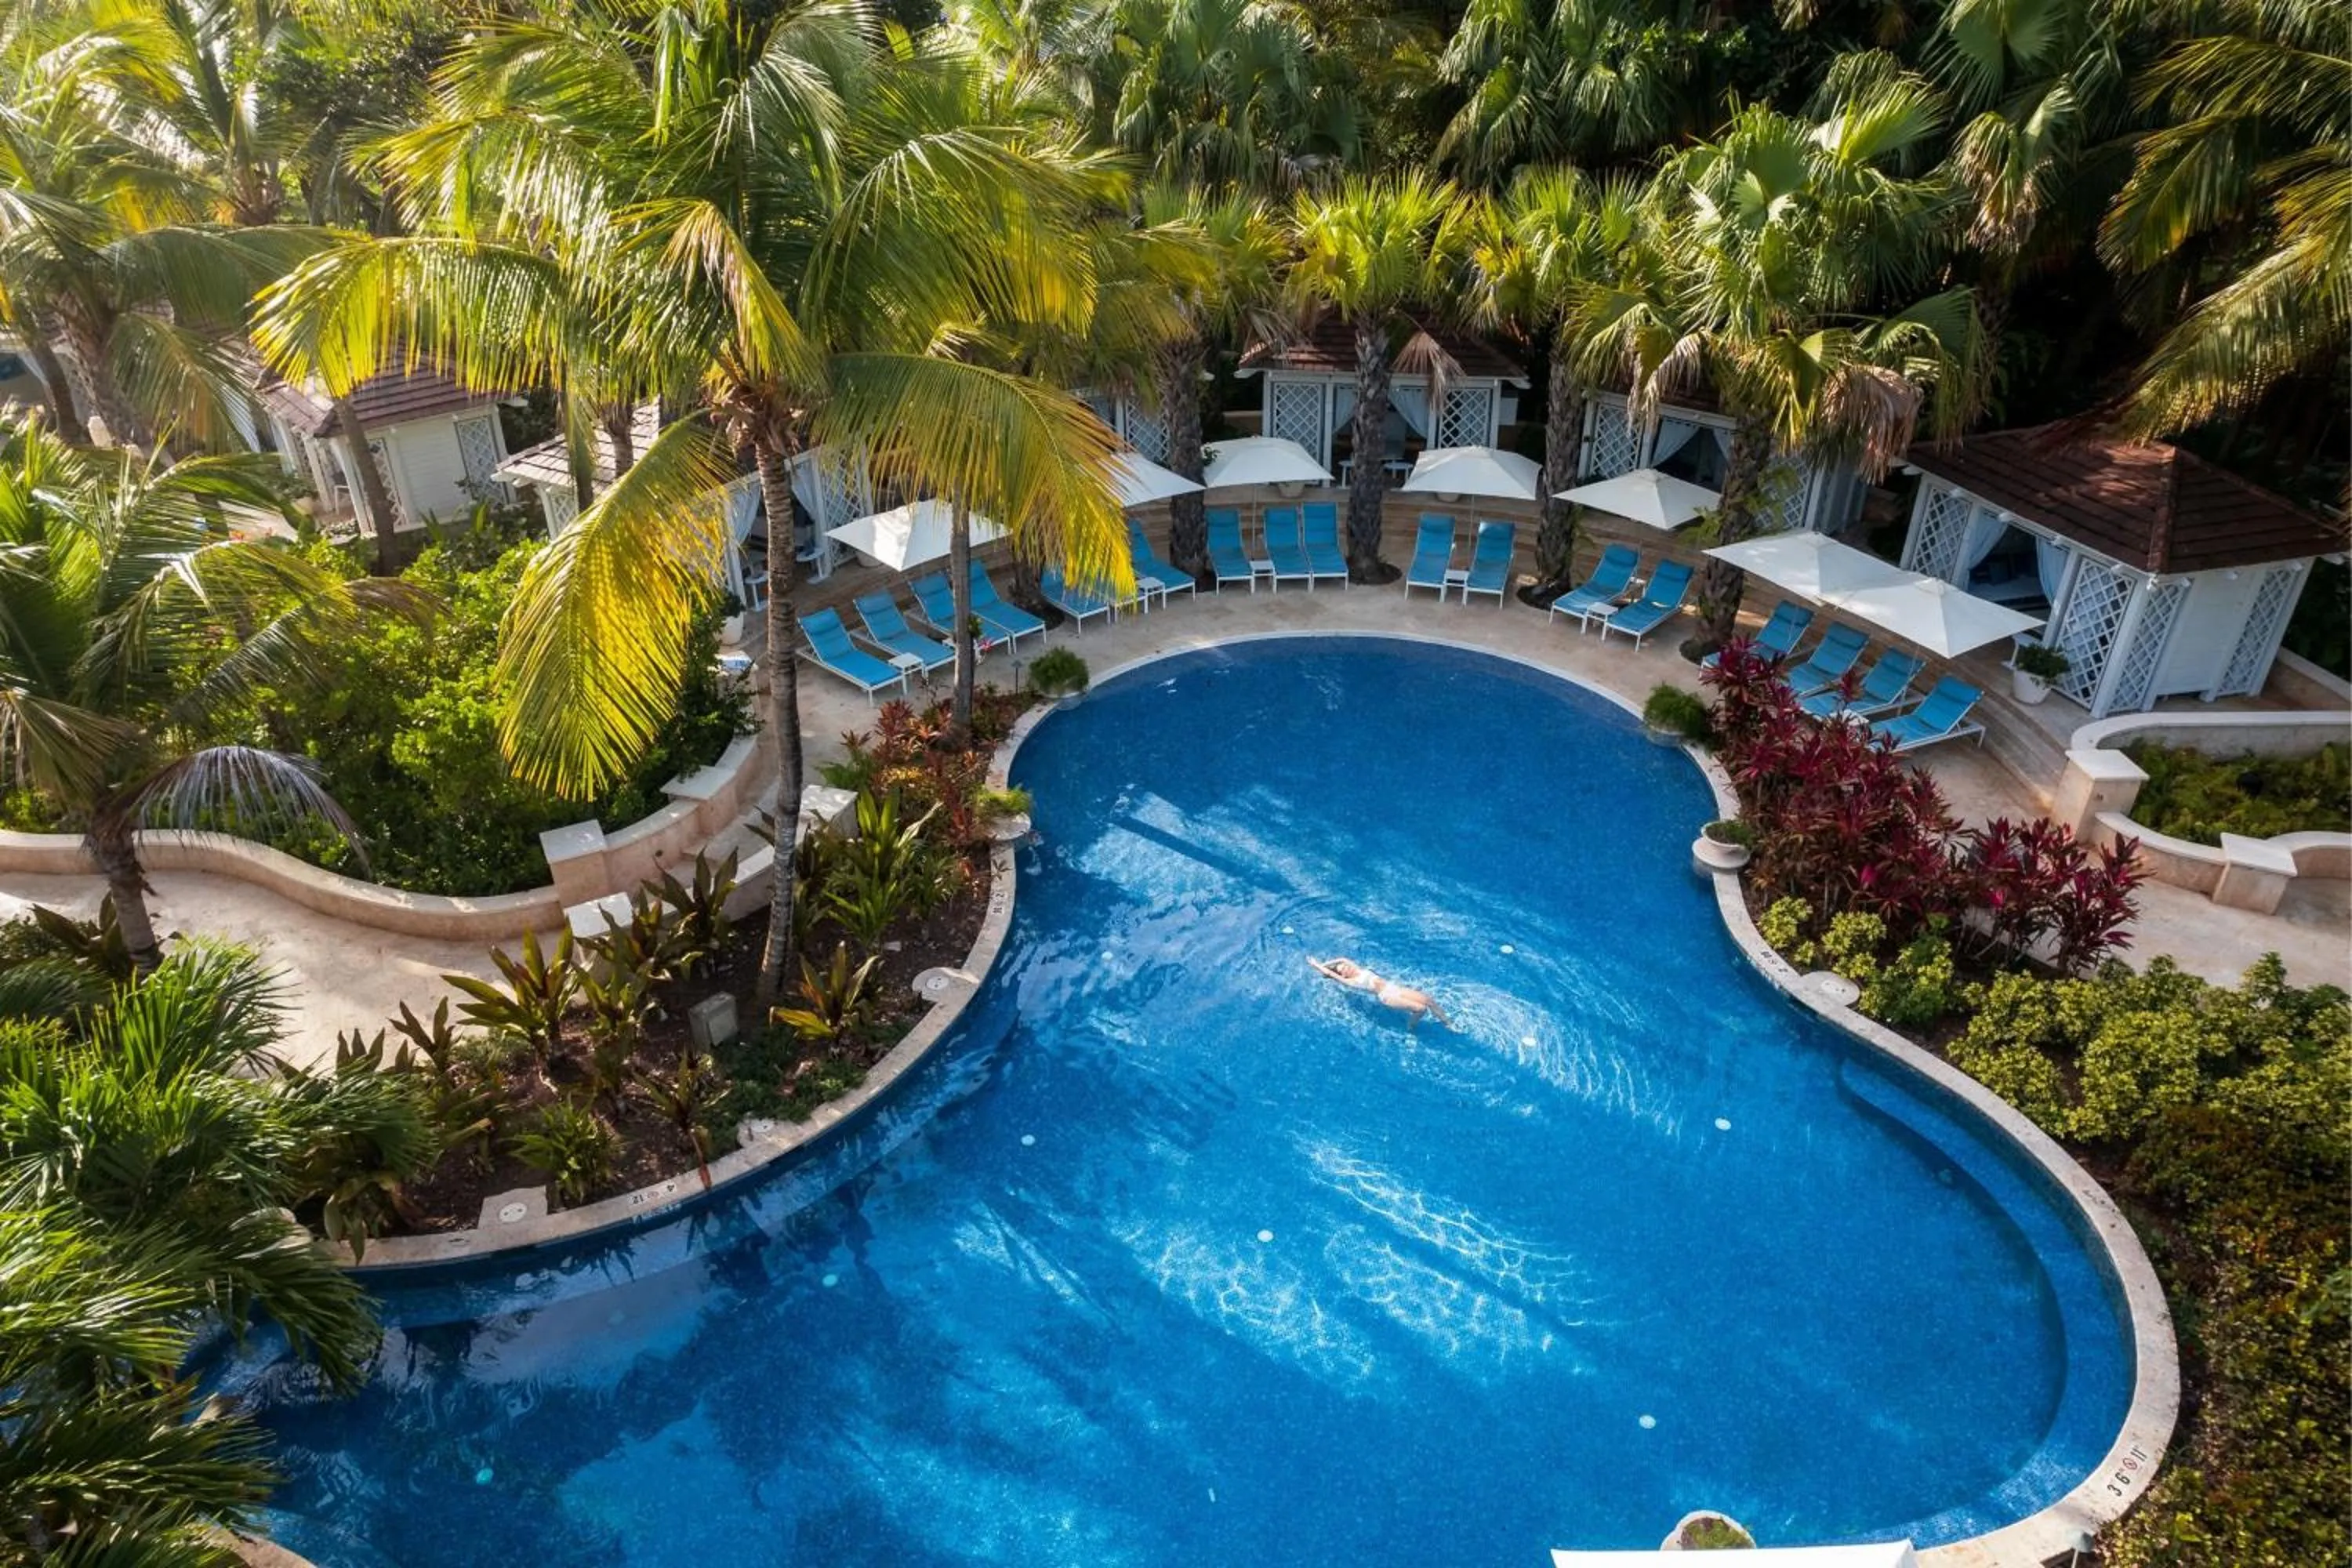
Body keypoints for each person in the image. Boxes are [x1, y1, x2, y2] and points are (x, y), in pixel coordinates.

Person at [1307, 956, 1450, 1029]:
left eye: (1344, 966)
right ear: (1344, 976)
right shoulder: (1351, 982)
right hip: (1387, 997)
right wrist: (1317, 966)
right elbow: (1330, 974)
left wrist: (1326, 963)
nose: (1345, 967)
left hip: (1395, 988)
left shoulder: (1359, 969)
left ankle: (1448, 1024)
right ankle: (1411, 1028)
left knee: (1429, 1000)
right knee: (1420, 1009)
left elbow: (1342, 958)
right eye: (1343, 970)